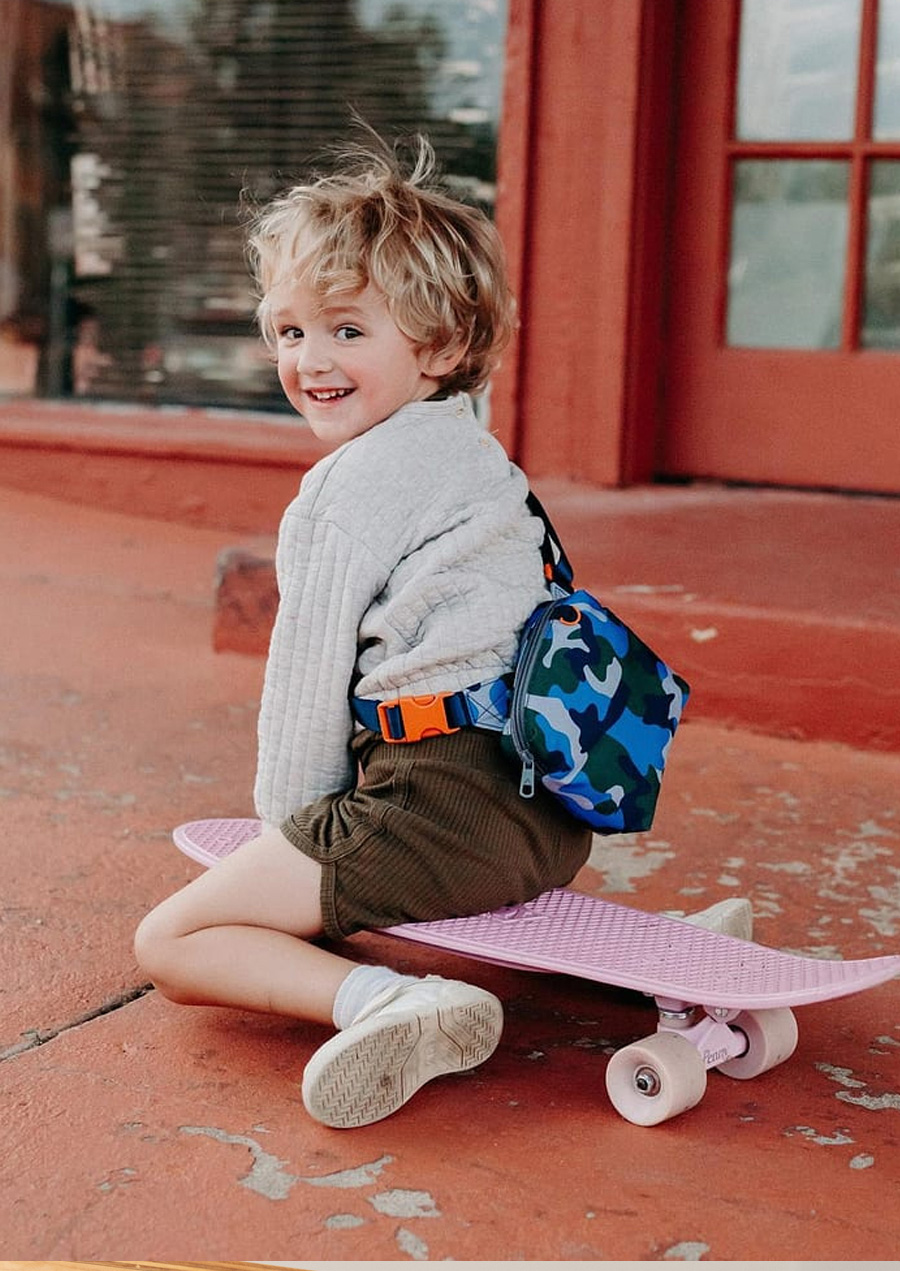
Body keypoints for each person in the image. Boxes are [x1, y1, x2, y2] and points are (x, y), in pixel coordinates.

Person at [134, 131, 751, 1130]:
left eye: (345, 329)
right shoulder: (470, 447)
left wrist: (290, 843)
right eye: (289, 332)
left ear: (442, 345)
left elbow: (302, 696)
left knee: (171, 939)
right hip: (554, 819)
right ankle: (672, 957)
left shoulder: (344, 493)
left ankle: (395, 1000)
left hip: (437, 807)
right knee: (371, 871)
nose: (309, 360)